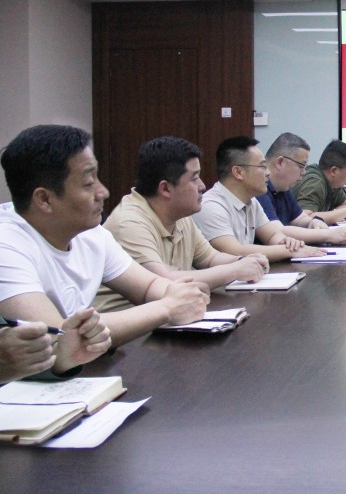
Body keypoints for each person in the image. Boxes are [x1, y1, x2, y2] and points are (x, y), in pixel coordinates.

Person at [0, 125, 208, 368]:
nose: (104, 192)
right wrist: (167, 308)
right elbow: (56, 341)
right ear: (45, 199)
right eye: (89, 183)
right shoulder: (6, 244)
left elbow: (148, 286)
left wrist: (180, 296)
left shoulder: (92, 234)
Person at [98, 136, 268, 313]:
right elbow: (164, 281)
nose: (202, 186)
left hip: (171, 318)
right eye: (194, 178)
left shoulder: (180, 214)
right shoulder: (129, 222)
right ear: (165, 189)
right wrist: (235, 270)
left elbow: (210, 259)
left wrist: (244, 261)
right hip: (127, 325)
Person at [193, 136, 325, 262]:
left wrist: (288, 243)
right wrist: (288, 251)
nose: (268, 173)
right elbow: (234, 251)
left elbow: (272, 235)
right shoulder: (211, 206)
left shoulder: (252, 202)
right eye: (263, 167)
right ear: (238, 172)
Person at [256, 133, 346, 245]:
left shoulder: (284, 189)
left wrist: (314, 221)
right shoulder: (259, 189)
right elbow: (276, 231)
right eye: (301, 166)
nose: (304, 172)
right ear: (280, 162)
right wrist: (328, 235)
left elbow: (300, 219)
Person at [292, 139, 346, 224]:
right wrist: (344, 213)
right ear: (334, 171)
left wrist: (337, 215)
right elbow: (305, 218)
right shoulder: (314, 183)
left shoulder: (333, 183)